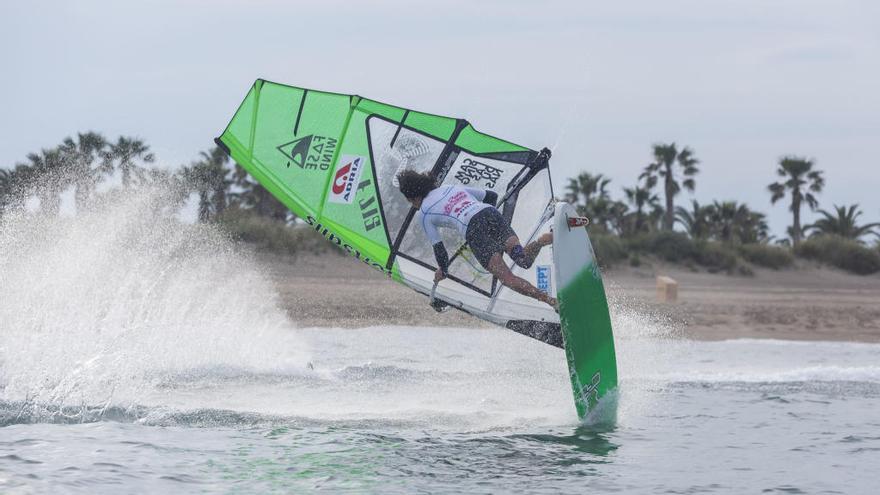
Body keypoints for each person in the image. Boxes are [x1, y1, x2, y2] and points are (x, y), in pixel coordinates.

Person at [396, 169, 556, 309]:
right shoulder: (449, 187)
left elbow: (439, 249)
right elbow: (491, 196)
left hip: (473, 230)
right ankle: (543, 240)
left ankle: (551, 301)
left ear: (413, 197)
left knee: (507, 278)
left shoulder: (424, 213)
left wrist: (443, 270)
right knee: (522, 260)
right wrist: (489, 230)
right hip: (490, 213)